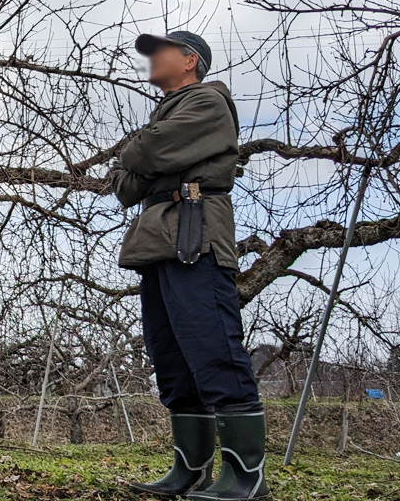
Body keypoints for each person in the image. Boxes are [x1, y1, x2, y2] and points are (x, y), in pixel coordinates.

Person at [110, 31, 268, 501]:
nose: (151, 58)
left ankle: (245, 476)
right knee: (171, 359)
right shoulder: (168, 114)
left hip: (195, 235)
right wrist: (147, 155)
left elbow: (143, 154)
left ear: (189, 60)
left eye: (160, 50)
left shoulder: (209, 103)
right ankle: (190, 469)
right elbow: (123, 185)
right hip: (159, 239)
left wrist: (144, 153)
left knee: (212, 347)